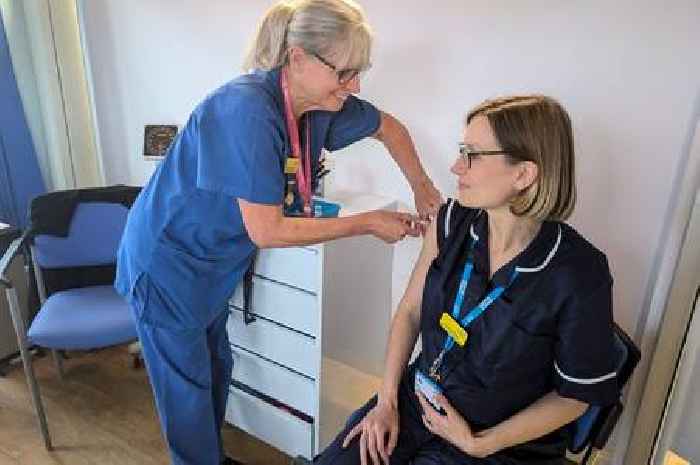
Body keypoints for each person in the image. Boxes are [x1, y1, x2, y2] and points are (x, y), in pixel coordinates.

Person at [114, 1, 441, 464]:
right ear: (298, 59)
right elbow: (267, 230)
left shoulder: (321, 104)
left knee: (215, 366)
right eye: (345, 72)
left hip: (212, 265)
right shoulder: (246, 111)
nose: (356, 85)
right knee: (185, 390)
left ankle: (210, 455)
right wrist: (368, 222)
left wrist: (422, 186)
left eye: (359, 72)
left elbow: (388, 128)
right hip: (168, 264)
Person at [312, 95, 619, 465]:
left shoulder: (578, 273)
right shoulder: (450, 222)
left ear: (523, 174)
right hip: (416, 401)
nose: (456, 167)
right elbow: (410, 312)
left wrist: (480, 443)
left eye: (471, 155)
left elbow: (574, 396)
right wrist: (386, 401)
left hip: (500, 444)